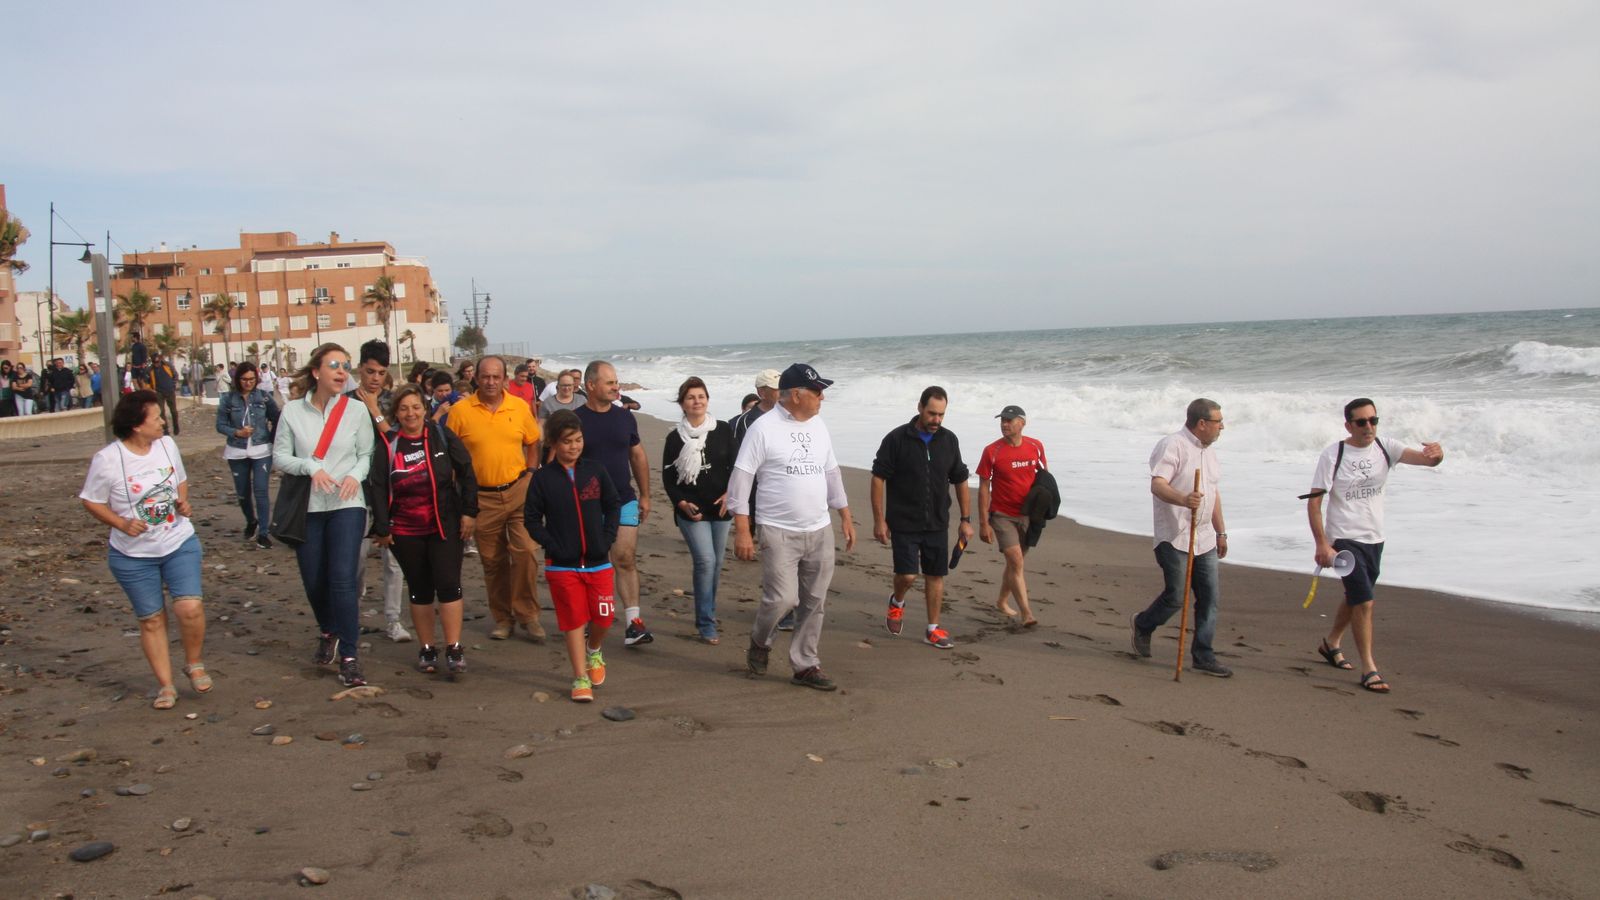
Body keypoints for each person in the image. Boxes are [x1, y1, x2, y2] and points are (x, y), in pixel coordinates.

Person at [729, 363, 856, 690]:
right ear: (796, 395)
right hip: (777, 529)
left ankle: (805, 664)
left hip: (819, 528)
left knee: (814, 601)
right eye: (817, 391)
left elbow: (831, 472)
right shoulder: (763, 428)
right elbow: (741, 479)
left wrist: (844, 513)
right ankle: (760, 640)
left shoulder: (819, 425)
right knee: (782, 599)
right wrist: (742, 530)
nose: (822, 398)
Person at [79, 390, 208, 709]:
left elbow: (179, 479)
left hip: (178, 542)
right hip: (132, 556)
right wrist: (121, 523)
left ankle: (194, 663)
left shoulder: (167, 445)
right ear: (137, 425)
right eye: (157, 418)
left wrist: (183, 502)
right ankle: (166, 686)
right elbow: (91, 500)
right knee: (151, 619)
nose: (163, 422)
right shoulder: (108, 459)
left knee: (190, 608)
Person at [1306, 398, 1444, 693]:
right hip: (1343, 539)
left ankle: (1331, 643)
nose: (1368, 426)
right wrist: (1322, 545)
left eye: (1373, 420)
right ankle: (1369, 668)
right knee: (1365, 602)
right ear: (1348, 426)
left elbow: (1426, 461)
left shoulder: (1385, 447)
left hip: (1374, 538)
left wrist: (1436, 456)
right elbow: (1314, 502)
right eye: (1361, 422)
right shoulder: (1333, 454)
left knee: (1356, 595)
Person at [273, 343, 375, 687]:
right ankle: (329, 629)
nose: (342, 371)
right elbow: (280, 457)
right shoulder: (292, 412)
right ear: (316, 372)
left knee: (343, 579)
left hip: (348, 503)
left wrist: (354, 476)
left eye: (346, 366)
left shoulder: (356, 410)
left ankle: (349, 656)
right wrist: (310, 467)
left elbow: (366, 453)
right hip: (308, 507)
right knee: (314, 580)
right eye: (334, 365)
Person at [370, 384, 479, 678]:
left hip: (445, 525)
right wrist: (382, 526)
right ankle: (427, 648)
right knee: (420, 589)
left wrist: (469, 512)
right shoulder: (388, 443)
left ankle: (454, 648)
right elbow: (377, 486)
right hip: (405, 530)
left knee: (448, 584)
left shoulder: (441, 436)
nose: (411, 414)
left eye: (416, 407)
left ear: (425, 409)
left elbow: (467, 471)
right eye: (404, 408)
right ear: (396, 413)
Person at [1130, 398, 1233, 678]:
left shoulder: (1210, 453)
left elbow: (1213, 495)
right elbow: (1158, 485)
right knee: (1176, 596)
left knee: (1209, 598)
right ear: (1202, 423)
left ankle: (1203, 655)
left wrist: (1221, 531)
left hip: (1205, 537)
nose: (1222, 427)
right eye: (1218, 422)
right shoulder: (1172, 445)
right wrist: (1184, 499)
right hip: (1174, 535)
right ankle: (1143, 624)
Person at [447, 355, 547, 641]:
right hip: (480, 497)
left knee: (526, 553)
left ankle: (529, 615)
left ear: (504, 379)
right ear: (476, 378)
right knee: (493, 562)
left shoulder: (518, 406)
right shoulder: (460, 412)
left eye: (496, 377)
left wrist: (531, 473)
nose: (490, 382)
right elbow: (450, 456)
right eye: (485, 376)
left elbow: (533, 442)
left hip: (518, 491)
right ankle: (503, 618)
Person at [525, 410, 621, 702]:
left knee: (604, 617)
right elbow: (531, 519)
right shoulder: (542, 478)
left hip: (598, 561)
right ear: (554, 443)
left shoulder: (595, 470)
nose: (574, 446)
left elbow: (613, 505)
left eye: (578, 440)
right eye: (567, 441)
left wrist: (606, 538)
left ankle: (594, 650)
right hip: (561, 565)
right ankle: (580, 677)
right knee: (574, 620)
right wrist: (552, 545)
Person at [870, 386, 974, 649]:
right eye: (932, 413)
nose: (936, 420)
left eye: (941, 414)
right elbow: (878, 478)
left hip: (937, 521)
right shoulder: (896, 439)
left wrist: (966, 519)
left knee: (935, 575)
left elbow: (960, 479)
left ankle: (932, 629)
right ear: (920, 408)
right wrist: (879, 520)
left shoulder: (949, 440)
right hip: (904, 521)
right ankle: (897, 601)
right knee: (907, 576)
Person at [576, 360, 655, 647]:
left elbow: (638, 456)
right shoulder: (575, 420)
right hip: (586, 503)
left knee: (624, 558)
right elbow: (562, 461)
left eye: (616, 381)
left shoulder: (624, 418)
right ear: (591, 385)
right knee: (592, 563)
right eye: (609, 382)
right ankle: (589, 619)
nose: (616, 387)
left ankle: (634, 624)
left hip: (623, 499)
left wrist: (645, 495)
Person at [662, 377, 736, 643]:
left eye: (701, 396)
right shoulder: (674, 438)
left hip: (721, 507)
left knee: (716, 564)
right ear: (682, 403)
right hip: (691, 509)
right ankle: (705, 623)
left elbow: (737, 466)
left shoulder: (723, 429)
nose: (697, 401)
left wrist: (731, 494)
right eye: (691, 397)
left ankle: (708, 611)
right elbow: (668, 478)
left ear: (707, 400)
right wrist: (681, 503)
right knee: (705, 561)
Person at [348, 339, 411, 643]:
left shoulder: (392, 403)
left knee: (394, 562)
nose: (375, 378)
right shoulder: (345, 402)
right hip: (355, 490)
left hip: (390, 489)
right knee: (355, 560)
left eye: (381, 373)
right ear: (360, 369)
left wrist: (375, 410)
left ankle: (393, 619)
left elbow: (398, 439)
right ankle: (351, 615)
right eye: (370, 371)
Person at [976, 405, 1048, 626]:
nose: (1004, 424)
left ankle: (1001, 600)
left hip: (1027, 514)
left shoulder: (1035, 446)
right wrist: (984, 523)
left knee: (1015, 563)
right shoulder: (992, 451)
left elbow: (1044, 478)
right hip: (1001, 514)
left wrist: (1046, 506)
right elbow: (983, 487)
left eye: (1009, 420)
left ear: (1022, 423)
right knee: (1016, 560)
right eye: (1003, 420)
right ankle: (1027, 614)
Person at [216, 362, 280, 549]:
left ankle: (263, 533)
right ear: (238, 379)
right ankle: (251, 521)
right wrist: (236, 432)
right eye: (244, 379)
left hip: (262, 450)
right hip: (237, 451)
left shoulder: (264, 397)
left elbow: (277, 418)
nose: (248, 383)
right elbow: (220, 425)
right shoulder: (228, 399)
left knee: (261, 490)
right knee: (243, 493)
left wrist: (272, 438)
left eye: (252, 379)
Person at [151, 353, 182, 434]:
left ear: (160, 360)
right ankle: (165, 430)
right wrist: (152, 390)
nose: (156, 364)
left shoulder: (168, 365)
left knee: (173, 410)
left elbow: (175, 375)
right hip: (159, 392)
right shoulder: (150, 369)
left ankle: (176, 425)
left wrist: (173, 385)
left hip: (170, 391)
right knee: (161, 411)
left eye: (157, 362)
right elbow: (147, 381)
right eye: (154, 362)